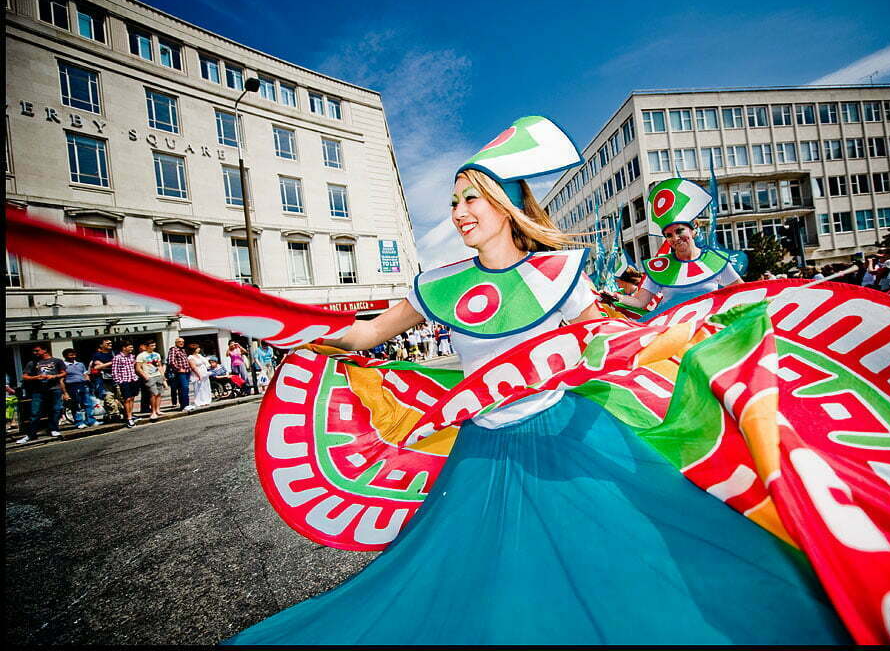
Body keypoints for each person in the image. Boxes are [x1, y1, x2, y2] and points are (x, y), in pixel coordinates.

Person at [225, 116, 849, 645]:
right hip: (483, 447)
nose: (459, 212)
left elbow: (609, 340)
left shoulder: (561, 274)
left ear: (503, 205)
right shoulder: (440, 284)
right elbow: (362, 336)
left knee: (630, 548)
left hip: (565, 431)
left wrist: (699, 338)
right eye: (453, 202)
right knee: (480, 573)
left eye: (470, 199)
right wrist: (264, 319)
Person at [609, 179, 742, 319]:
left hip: (709, 329)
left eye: (679, 231)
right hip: (672, 331)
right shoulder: (659, 267)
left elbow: (743, 292)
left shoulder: (716, 260)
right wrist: (617, 297)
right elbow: (640, 301)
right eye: (669, 235)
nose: (675, 238)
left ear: (693, 230)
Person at [16, 344, 67, 443]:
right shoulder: (32, 363)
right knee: (35, 412)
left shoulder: (57, 361)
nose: (35, 353)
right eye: (34, 351)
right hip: (38, 390)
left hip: (54, 388)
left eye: (37, 350)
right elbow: (25, 376)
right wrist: (36, 377)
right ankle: (31, 434)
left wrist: (54, 376)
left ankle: (54, 429)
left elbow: (64, 373)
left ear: (44, 350)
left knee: (55, 410)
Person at [62, 348, 99, 429]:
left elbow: (85, 374)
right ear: (65, 356)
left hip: (83, 385)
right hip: (72, 386)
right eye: (70, 355)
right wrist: (64, 392)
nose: (73, 356)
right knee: (76, 405)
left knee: (88, 403)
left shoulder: (80, 364)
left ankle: (91, 420)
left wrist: (89, 383)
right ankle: (79, 422)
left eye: (74, 354)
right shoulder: (63, 365)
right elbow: (61, 380)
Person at [136, 339, 168, 420]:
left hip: (158, 375)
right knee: (153, 394)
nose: (154, 347)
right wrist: (145, 376)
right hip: (150, 377)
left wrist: (163, 375)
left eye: (154, 345)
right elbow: (138, 368)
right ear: (146, 347)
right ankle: (153, 412)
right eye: (151, 346)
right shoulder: (141, 355)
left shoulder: (157, 354)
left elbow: (159, 366)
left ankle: (158, 410)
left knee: (159, 393)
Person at [111, 341, 140, 427]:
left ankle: (130, 415)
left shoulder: (132, 356)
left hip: (133, 379)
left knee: (132, 398)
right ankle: (129, 418)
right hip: (124, 381)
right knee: (127, 399)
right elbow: (114, 371)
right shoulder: (117, 358)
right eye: (129, 347)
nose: (132, 349)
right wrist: (120, 381)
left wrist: (135, 378)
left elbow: (133, 367)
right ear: (124, 348)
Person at [167, 337, 193, 411]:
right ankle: (185, 405)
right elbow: (171, 361)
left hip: (187, 372)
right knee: (184, 388)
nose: (181, 343)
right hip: (180, 373)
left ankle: (185, 405)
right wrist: (178, 369)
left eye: (183, 342)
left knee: (185, 389)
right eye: (179, 342)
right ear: (176, 342)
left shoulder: (183, 350)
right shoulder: (173, 350)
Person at [186, 343, 212, 409]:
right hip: (197, 374)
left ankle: (206, 400)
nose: (199, 349)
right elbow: (193, 367)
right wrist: (199, 375)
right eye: (197, 348)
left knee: (205, 387)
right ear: (194, 350)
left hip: (204, 372)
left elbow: (206, 362)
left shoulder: (199, 355)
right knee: (199, 388)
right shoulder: (190, 357)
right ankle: (200, 401)